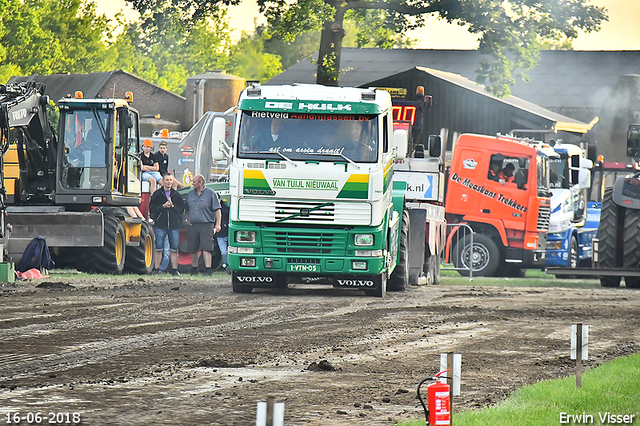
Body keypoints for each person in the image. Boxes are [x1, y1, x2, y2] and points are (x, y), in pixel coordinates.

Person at [149, 173, 185, 276]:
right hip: (161, 225)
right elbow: (152, 209)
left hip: (174, 226)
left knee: (174, 248)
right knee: (158, 248)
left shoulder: (176, 195)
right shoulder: (157, 194)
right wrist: (163, 206)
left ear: (173, 181)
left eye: (170, 180)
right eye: (167, 180)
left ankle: (174, 270)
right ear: (163, 181)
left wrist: (173, 207)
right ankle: (157, 269)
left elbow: (181, 210)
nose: (169, 182)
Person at [185, 174, 221, 276]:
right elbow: (187, 209)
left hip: (206, 224)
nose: (192, 184)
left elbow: (217, 210)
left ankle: (208, 269)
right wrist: (186, 219)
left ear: (201, 183)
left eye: (194, 182)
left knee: (206, 247)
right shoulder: (190, 194)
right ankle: (194, 269)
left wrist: (218, 224)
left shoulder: (211, 194)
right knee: (193, 248)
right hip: (193, 225)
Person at [215, 195, 230, 274]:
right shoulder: (210, 209)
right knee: (223, 252)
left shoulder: (227, 209)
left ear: (220, 200)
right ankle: (226, 267)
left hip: (228, 234)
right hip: (220, 235)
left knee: (229, 252)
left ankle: (229, 267)